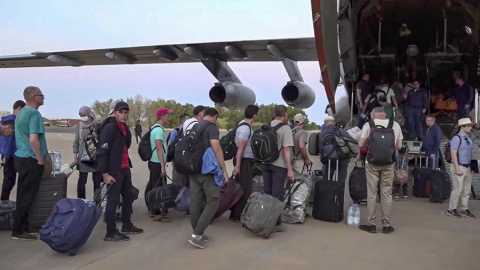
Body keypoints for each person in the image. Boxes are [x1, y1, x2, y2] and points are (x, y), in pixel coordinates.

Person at [97, 101, 143, 242]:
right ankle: (110, 232)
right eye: (120, 112)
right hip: (113, 170)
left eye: (125, 112)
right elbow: (102, 152)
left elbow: (126, 145)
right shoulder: (110, 128)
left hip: (124, 168)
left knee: (128, 197)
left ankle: (126, 225)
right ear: (115, 113)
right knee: (113, 201)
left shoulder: (122, 128)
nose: (123, 115)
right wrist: (105, 174)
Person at [357, 107, 403, 234]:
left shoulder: (369, 125)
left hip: (371, 163)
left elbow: (361, 145)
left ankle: (371, 225)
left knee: (371, 194)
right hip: (389, 163)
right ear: (385, 115)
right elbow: (399, 146)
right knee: (386, 194)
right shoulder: (395, 125)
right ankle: (386, 225)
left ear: (373, 115)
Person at [187, 108, 229, 249]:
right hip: (206, 170)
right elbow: (216, 148)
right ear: (215, 116)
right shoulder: (212, 128)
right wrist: (224, 170)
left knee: (196, 201)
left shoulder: (194, 126)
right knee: (213, 200)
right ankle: (197, 234)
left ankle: (197, 232)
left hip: (192, 169)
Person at [11, 86, 47, 241]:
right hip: (30, 159)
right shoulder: (34, 114)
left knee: (23, 193)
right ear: (34, 97)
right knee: (27, 195)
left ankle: (23, 226)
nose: (43, 97)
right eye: (41, 95)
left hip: (21, 157)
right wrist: (40, 159)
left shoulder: (21, 113)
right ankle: (19, 231)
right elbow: (34, 139)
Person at [262, 105, 294, 233]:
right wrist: (290, 169)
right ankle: (275, 223)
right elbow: (286, 150)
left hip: (265, 163)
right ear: (284, 115)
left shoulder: (265, 126)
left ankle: (264, 218)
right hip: (279, 165)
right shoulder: (285, 128)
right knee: (277, 195)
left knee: (267, 193)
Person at [229, 105, 259, 222]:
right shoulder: (246, 128)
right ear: (254, 115)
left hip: (242, 160)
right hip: (244, 160)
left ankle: (235, 212)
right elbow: (240, 148)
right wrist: (237, 167)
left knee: (240, 187)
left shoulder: (242, 124)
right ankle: (237, 214)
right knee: (244, 188)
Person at [146, 107, 173, 222]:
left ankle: (156, 209)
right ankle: (156, 212)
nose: (169, 118)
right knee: (157, 187)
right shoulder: (159, 130)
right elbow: (159, 148)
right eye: (167, 116)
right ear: (162, 117)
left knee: (154, 185)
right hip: (157, 163)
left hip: (156, 162)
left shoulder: (156, 128)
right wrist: (162, 166)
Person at [447, 118, 475, 218]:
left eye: (470, 126)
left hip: (467, 166)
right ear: (462, 127)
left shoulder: (469, 139)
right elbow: (453, 154)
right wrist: (457, 168)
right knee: (457, 189)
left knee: (466, 189)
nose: (470, 128)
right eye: (468, 126)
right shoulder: (456, 138)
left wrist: (472, 165)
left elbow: (471, 153)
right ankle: (451, 208)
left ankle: (464, 208)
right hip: (459, 165)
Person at [0, 100, 25, 207]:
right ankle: (4, 201)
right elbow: (8, 140)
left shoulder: (9, 120)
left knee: (10, 179)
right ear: (19, 108)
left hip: (9, 154)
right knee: (9, 179)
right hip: (9, 155)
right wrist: (5, 156)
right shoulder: (12, 121)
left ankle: (5, 200)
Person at [72, 106, 101, 199]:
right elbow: (76, 142)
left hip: (95, 156)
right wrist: (75, 156)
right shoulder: (79, 126)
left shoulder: (97, 125)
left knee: (97, 181)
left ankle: (97, 202)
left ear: (89, 114)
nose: (83, 117)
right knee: (82, 181)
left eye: (84, 115)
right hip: (83, 156)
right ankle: (81, 201)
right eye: (81, 115)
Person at [319, 116, 353, 185]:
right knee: (341, 180)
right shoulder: (341, 131)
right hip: (342, 158)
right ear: (334, 123)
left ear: (325, 123)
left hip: (328, 159)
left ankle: (327, 194)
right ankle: (339, 194)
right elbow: (351, 142)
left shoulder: (322, 133)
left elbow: (320, 148)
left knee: (326, 179)